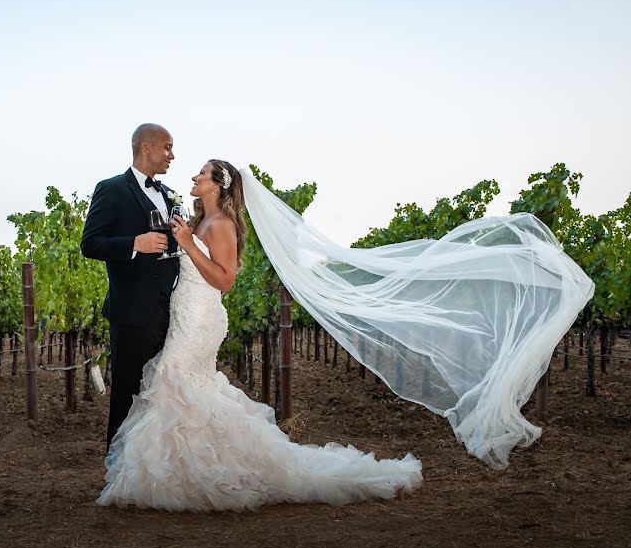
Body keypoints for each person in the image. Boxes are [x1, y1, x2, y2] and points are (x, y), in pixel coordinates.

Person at [96, 160, 423, 512]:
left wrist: (189, 246)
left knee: (175, 380)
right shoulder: (198, 221)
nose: (193, 176)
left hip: (199, 319)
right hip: (184, 315)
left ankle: (186, 472)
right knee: (185, 387)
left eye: (201, 173)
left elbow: (225, 281)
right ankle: (186, 469)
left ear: (218, 185)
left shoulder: (220, 225)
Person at [80, 123, 180, 453]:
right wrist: (134, 243)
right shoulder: (111, 189)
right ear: (146, 147)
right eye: (167, 147)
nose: (172, 155)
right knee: (127, 393)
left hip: (171, 311)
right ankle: (119, 469)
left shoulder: (167, 194)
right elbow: (90, 243)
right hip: (132, 312)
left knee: (159, 393)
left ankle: (151, 466)